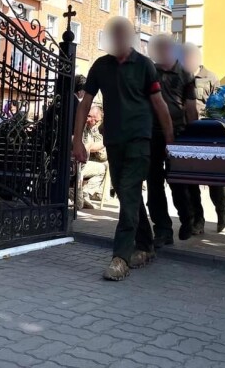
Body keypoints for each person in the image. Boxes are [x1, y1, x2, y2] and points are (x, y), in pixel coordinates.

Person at [73, 17, 174, 281]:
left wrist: (170, 141)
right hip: (114, 141)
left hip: (139, 140)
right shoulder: (100, 66)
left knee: (128, 191)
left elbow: (159, 104)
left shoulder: (145, 66)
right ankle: (146, 246)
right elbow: (85, 104)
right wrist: (77, 141)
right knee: (128, 195)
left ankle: (120, 257)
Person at [147, 35, 198, 246]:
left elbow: (191, 108)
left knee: (178, 181)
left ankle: (187, 219)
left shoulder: (185, 73)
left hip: (178, 133)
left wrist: (193, 137)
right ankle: (162, 230)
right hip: (152, 133)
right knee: (154, 183)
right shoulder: (150, 71)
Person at [182, 42, 225, 233]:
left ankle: (222, 213)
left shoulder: (210, 77)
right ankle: (198, 220)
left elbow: (219, 107)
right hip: (185, 134)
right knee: (190, 180)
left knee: (214, 179)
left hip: (207, 134)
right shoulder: (180, 77)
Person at [76, 105, 107, 209]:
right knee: (79, 205)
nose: (96, 123)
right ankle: (73, 193)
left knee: (102, 168)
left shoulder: (90, 128)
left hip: (83, 164)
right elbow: (88, 147)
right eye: (96, 121)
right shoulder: (82, 126)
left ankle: (85, 192)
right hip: (77, 165)